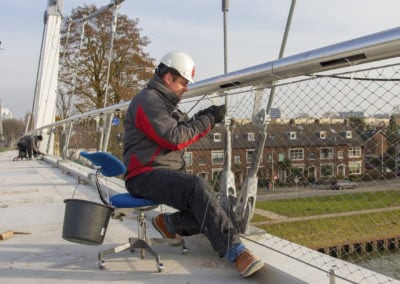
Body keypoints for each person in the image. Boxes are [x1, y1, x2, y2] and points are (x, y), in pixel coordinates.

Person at [123, 51, 263, 277]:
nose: (186, 89)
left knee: (216, 210)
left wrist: (204, 115)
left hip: (164, 172)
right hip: (143, 175)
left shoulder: (163, 104)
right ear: (169, 78)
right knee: (197, 187)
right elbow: (175, 137)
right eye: (184, 83)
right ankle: (236, 252)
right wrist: (209, 119)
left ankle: (168, 224)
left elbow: (184, 127)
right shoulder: (147, 100)